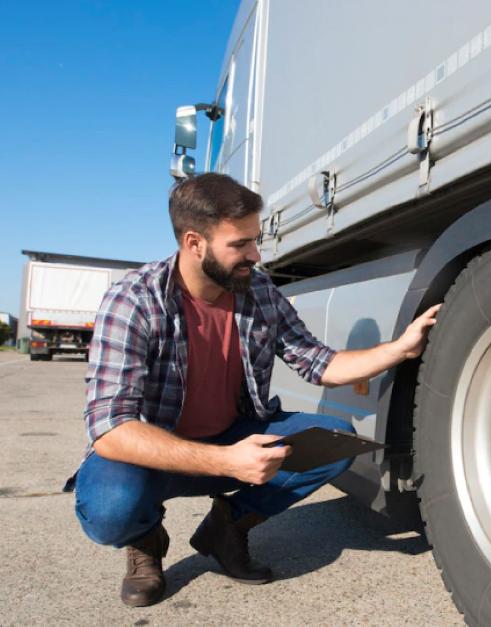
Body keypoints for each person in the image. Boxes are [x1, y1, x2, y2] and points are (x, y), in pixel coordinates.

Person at [69, 173, 441, 607]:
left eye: (255, 240)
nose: (255, 254)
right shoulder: (135, 300)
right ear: (194, 243)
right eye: (239, 244)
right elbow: (111, 428)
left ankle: (227, 529)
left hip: (234, 433)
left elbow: (319, 363)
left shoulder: (258, 291)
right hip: (156, 451)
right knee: (110, 508)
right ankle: (145, 539)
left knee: (334, 441)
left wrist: (400, 348)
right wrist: (228, 460)